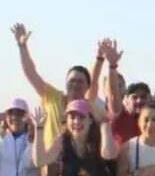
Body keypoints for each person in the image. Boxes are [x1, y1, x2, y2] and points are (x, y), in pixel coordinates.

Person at [11, 22, 101, 154]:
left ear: (88, 85)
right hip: (50, 166)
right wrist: (22, 47)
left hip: (77, 168)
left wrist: (100, 59)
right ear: (65, 83)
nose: (75, 84)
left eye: (80, 81)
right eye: (71, 81)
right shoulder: (53, 97)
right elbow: (31, 73)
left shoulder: (90, 107)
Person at [0, 98, 39, 176]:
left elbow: (30, 162)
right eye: (10, 113)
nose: (14, 117)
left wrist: (32, 138)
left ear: (26, 117)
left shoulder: (35, 140)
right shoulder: (2, 140)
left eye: (19, 114)